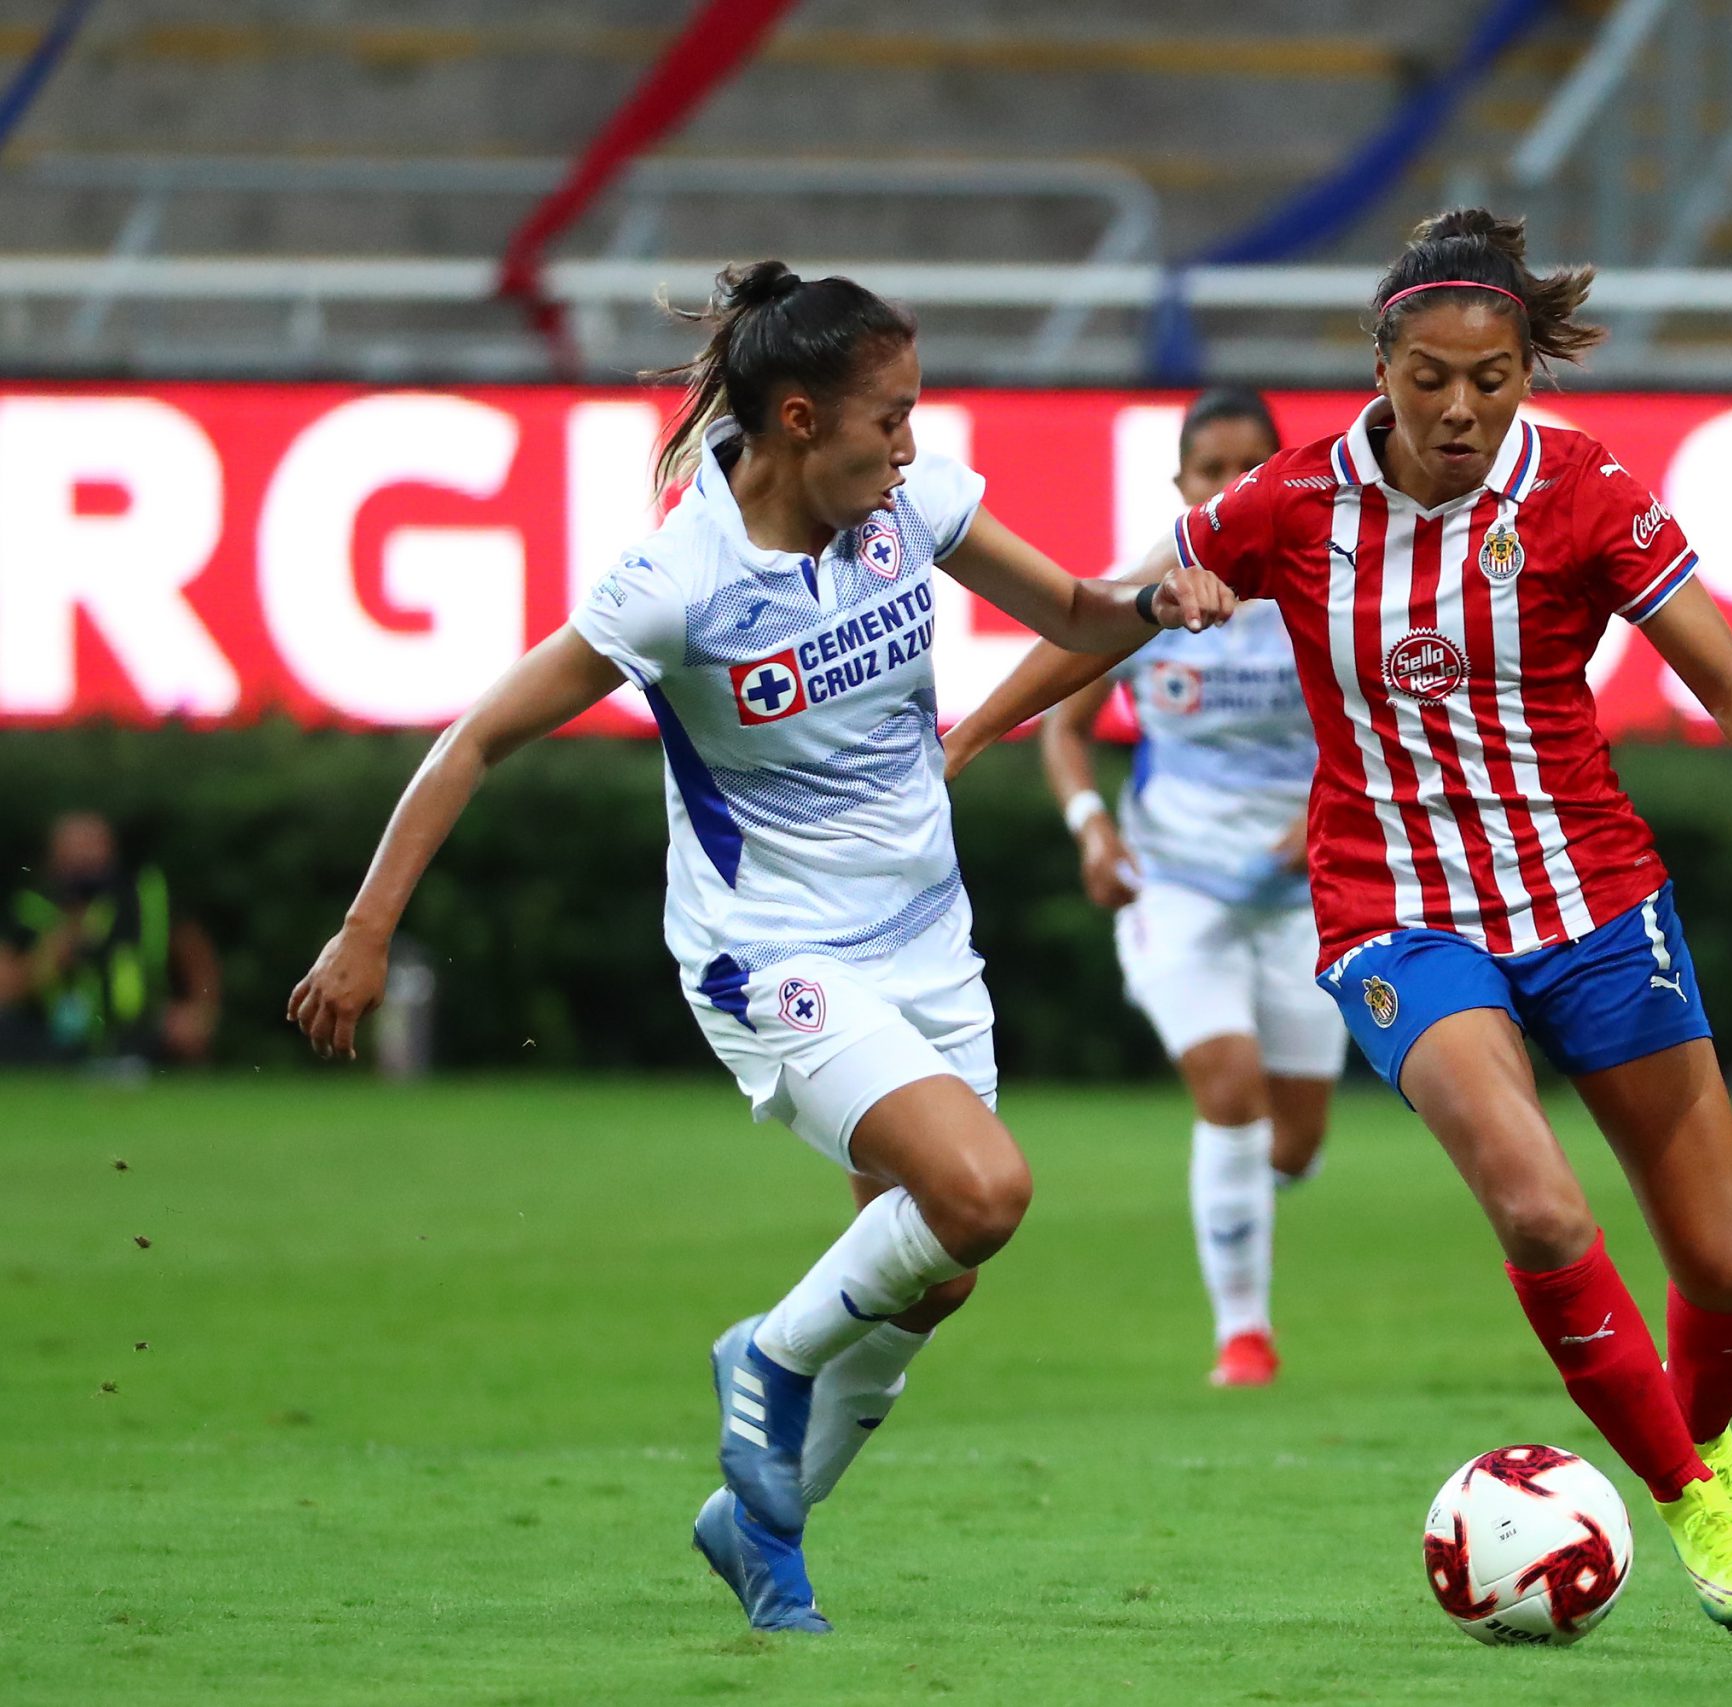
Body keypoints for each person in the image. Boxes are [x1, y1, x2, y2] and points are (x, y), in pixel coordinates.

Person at [285, 262, 1235, 1635]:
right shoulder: (678, 579)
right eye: (887, 419)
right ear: (798, 417)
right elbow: (474, 735)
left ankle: (759, 1524)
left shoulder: (912, 504)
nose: (911, 444)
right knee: (981, 1191)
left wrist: (1154, 607)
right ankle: (767, 1354)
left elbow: (1078, 610)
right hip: (774, 953)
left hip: (926, 936)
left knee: (938, 1266)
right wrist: (367, 930)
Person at [972, 210, 1732, 1631]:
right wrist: (970, 733)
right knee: (1537, 1199)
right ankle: (1690, 1497)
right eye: (1429, 377)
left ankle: (1680, 1448)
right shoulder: (1289, 499)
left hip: (1591, 893)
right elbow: (1102, 615)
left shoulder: (1583, 489)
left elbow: (1725, 668)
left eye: (1492, 378)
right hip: (1396, 910)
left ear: (1527, 371)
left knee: (1730, 1267)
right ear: (1376, 362)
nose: (1459, 409)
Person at [943, 388, 1346, 1390]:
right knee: (1230, 1093)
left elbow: (1377, 733)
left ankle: (1249, 1192)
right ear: (1181, 485)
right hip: (1177, 887)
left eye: (1252, 466)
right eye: (1212, 470)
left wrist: (1330, 813)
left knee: (1291, 1142)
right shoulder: (1147, 598)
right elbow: (1068, 729)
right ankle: (1242, 1338)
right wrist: (1092, 829)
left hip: (1305, 895)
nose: (1232, 487)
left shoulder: (1324, 595)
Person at [6, 811, 221, 1068]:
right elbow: (6, 988)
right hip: (52, 1037)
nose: (85, 858)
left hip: (139, 1032)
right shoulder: (29, 908)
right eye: (75, 850)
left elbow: (196, 955)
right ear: (53, 857)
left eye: (93, 846)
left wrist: (199, 1012)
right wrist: (50, 954)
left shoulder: (143, 900)